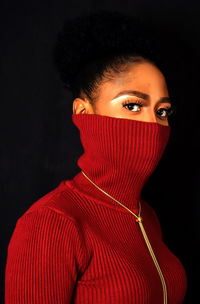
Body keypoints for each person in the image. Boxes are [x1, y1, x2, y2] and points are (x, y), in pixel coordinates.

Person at [5, 9, 187, 304]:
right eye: (132, 106)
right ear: (82, 112)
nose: (154, 125)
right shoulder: (52, 223)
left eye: (162, 111)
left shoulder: (147, 216)